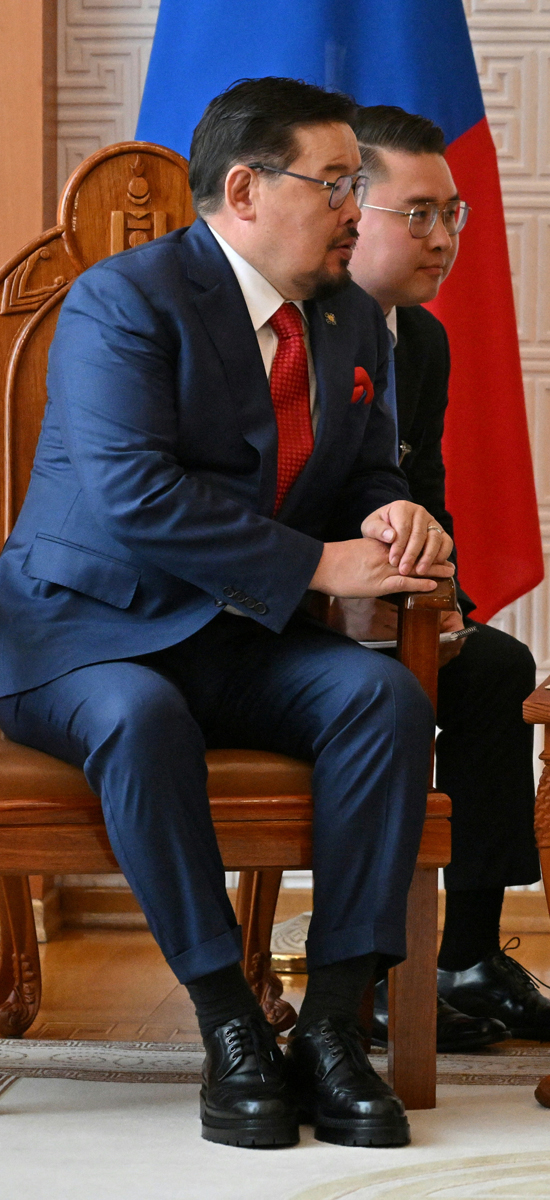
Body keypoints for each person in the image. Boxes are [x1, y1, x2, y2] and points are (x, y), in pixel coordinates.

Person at [0, 78, 455, 1150]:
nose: (358, 208)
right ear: (245, 189)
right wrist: (324, 568)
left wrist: (391, 512)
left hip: (231, 634)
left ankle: (335, 1028)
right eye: (336, 182)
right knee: (139, 716)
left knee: (380, 702)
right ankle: (231, 1024)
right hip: (81, 630)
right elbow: (135, 498)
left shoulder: (349, 319)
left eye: (358, 185)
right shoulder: (127, 299)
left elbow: (359, 470)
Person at [347, 105, 550, 1050]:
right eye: (419, 214)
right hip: (301, 608)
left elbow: (423, 491)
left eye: (454, 214)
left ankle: (467, 957)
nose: (443, 238)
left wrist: (448, 605)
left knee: (493, 668)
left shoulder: (421, 339)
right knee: (391, 689)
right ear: (350, 209)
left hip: (393, 599)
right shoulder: (299, 329)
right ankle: (375, 968)